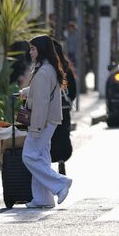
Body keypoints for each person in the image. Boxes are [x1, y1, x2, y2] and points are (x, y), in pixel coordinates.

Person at [19, 35, 72, 209]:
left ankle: (60, 183)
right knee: (41, 156)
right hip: (50, 119)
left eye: (33, 49)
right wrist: (27, 91)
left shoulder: (43, 71)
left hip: (43, 120)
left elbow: (41, 104)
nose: (30, 52)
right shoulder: (47, 68)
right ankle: (43, 198)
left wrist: (36, 128)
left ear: (41, 50)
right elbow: (42, 91)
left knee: (29, 156)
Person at [49, 39, 78, 175]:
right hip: (64, 108)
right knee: (63, 134)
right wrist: (69, 101)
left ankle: (47, 163)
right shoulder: (66, 68)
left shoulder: (46, 69)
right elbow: (73, 90)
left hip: (49, 109)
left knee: (49, 136)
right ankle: (61, 159)